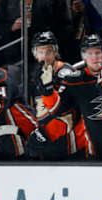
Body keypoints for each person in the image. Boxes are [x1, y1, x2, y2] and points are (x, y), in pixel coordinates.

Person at [39, 34, 102, 160]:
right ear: (83, 57)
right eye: (90, 53)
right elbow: (58, 110)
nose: (95, 57)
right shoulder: (74, 81)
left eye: (98, 52)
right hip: (94, 151)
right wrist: (48, 90)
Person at [29, 31, 88, 160]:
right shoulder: (36, 73)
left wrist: (46, 134)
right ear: (34, 53)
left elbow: (65, 111)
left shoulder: (67, 73)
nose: (44, 56)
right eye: (40, 52)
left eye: (48, 51)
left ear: (55, 52)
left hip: (70, 143)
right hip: (47, 142)